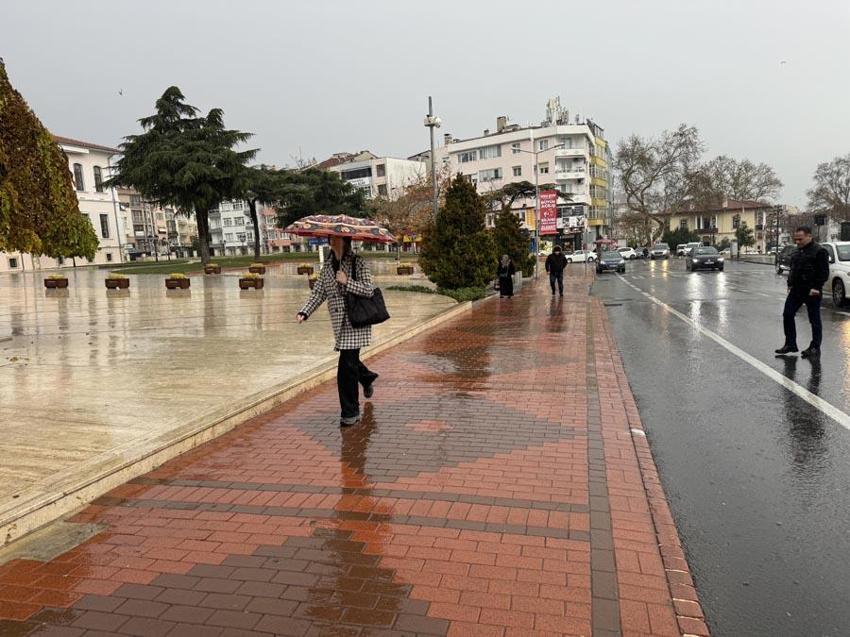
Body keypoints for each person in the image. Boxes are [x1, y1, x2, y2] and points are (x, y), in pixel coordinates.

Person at [297, 236, 379, 426]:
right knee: (349, 361)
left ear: (345, 240)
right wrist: (304, 312)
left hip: (355, 321)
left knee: (345, 368)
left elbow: (369, 290)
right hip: (339, 325)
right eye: (330, 238)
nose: (331, 241)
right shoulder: (327, 267)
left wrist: (347, 281)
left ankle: (350, 412)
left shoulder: (358, 262)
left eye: (335, 238)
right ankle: (366, 378)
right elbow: (318, 293)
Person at [775, 226, 830, 358]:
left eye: (800, 239)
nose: (797, 242)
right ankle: (790, 343)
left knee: (814, 319)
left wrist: (816, 287)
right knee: (787, 314)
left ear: (809, 236)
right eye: (796, 239)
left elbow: (823, 272)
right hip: (796, 289)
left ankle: (815, 347)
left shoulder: (819, 251)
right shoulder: (797, 251)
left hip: (812, 290)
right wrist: (790, 283)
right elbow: (793, 269)